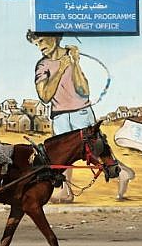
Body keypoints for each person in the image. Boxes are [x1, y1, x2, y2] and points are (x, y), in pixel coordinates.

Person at [27, 31, 135, 202]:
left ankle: (123, 173)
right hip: (59, 115)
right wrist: (61, 68)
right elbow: (45, 96)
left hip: (81, 112)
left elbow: (83, 90)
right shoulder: (43, 65)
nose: (40, 47)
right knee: (63, 156)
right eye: (36, 44)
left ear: (55, 37)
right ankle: (65, 192)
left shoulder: (71, 58)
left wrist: (74, 63)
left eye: (42, 40)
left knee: (96, 150)